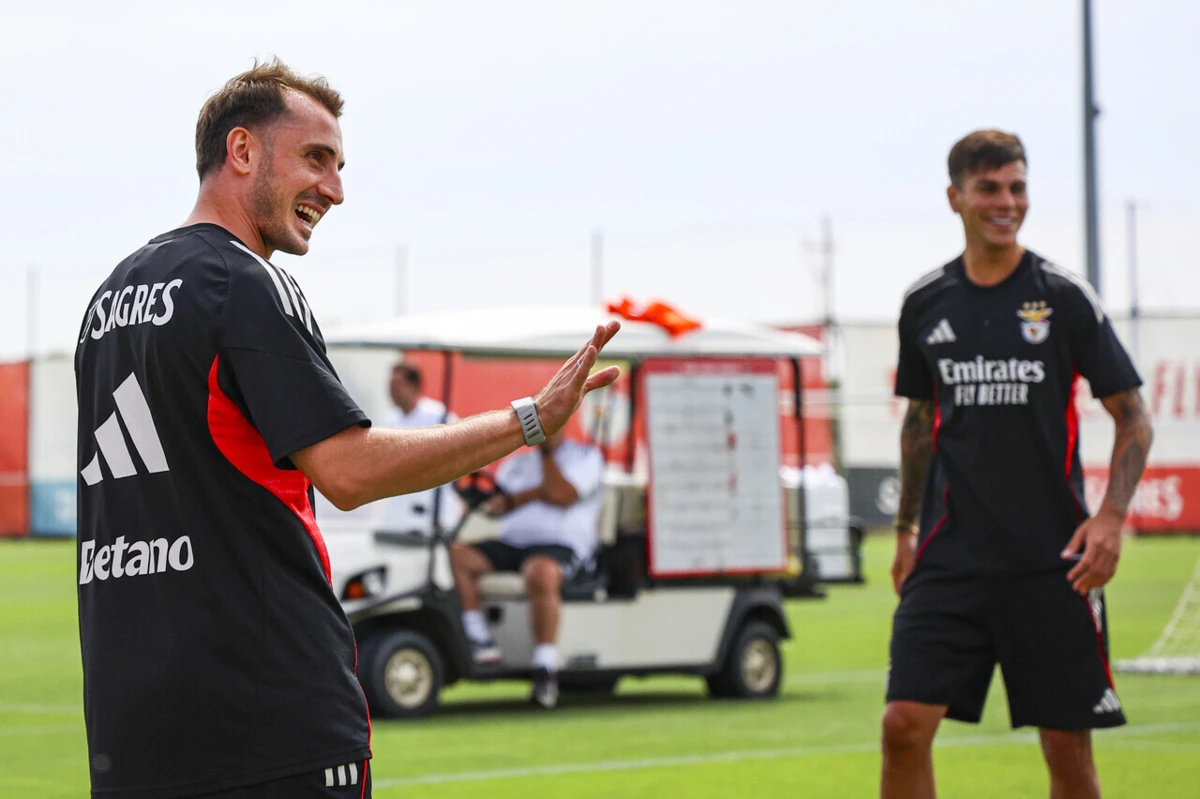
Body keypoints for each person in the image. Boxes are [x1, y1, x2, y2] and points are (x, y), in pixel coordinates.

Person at [73, 58, 619, 799]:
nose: (334, 189)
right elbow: (349, 469)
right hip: (268, 713)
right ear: (241, 152)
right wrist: (528, 419)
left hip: (133, 721)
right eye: (315, 159)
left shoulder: (108, 300)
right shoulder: (245, 282)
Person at [881, 129, 1154, 799]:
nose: (1007, 202)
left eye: (1018, 188)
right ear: (956, 197)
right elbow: (919, 427)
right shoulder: (924, 304)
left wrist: (1112, 518)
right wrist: (905, 531)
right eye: (990, 189)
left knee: (1066, 749)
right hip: (951, 557)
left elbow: (1134, 416)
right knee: (902, 725)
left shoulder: (1063, 296)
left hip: (1053, 561)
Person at [449, 430, 605, 709]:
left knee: (539, 571)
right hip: (514, 544)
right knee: (459, 555)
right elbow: (499, 504)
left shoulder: (586, 456)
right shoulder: (517, 463)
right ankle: (479, 639)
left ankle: (545, 668)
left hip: (561, 545)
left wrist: (543, 461)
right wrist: (533, 495)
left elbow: (561, 493)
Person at [373, 362, 463, 535]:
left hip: (435, 512)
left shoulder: (439, 416)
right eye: (390, 386)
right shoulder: (390, 420)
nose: (391, 391)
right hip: (399, 513)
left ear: (414, 386)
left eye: (396, 385)